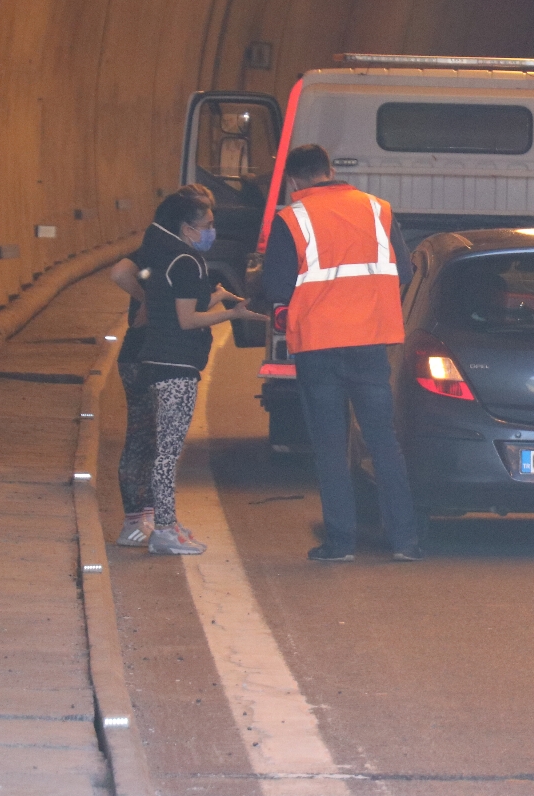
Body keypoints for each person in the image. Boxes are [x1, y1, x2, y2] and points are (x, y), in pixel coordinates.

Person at [261, 144, 423, 563]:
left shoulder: (292, 218)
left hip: (318, 346)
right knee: (382, 441)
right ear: (330, 170)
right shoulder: (377, 209)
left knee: (330, 445)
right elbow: (404, 271)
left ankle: (341, 543)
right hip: (370, 342)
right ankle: (405, 541)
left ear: (293, 180)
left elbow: (276, 287)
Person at [135, 189, 265, 554]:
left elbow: (181, 301)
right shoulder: (188, 260)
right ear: (187, 227)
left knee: (165, 449)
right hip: (177, 366)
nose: (212, 230)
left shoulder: (168, 254)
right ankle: (164, 530)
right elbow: (187, 319)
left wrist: (219, 296)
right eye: (207, 225)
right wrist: (231, 314)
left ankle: (169, 523)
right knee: (168, 452)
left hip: (159, 361)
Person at [108, 184, 214, 547]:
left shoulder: (151, 250)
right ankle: (152, 523)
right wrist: (153, 301)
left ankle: (139, 523)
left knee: (141, 437)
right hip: (156, 354)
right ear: (184, 223)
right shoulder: (173, 254)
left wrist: (147, 297)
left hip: (134, 354)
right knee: (158, 443)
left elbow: (121, 272)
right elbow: (119, 274)